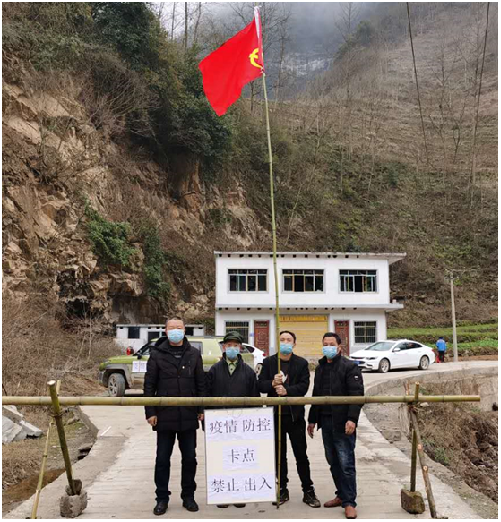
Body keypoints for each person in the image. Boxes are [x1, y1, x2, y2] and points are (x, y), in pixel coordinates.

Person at [144, 317, 206, 516]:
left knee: (190, 458)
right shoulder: (156, 354)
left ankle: (188, 496)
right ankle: (162, 498)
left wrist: (201, 409)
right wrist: (150, 412)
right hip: (164, 415)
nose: (175, 331)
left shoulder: (194, 354)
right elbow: (149, 385)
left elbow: (200, 384)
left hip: (188, 414)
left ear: (185, 330)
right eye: (172, 328)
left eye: (179, 327)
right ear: (165, 331)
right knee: (162, 459)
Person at [258, 330, 320, 508]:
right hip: (275, 416)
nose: (285, 342)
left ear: (294, 343)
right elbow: (260, 385)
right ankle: (282, 488)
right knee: (279, 455)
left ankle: (308, 490)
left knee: (301, 454)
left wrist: (287, 391)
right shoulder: (269, 362)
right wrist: (272, 383)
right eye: (282, 339)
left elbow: (304, 386)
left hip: (295, 417)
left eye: (288, 340)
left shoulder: (301, 363)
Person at [307, 332, 364, 520]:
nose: (328, 347)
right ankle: (341, 494)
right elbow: (316, 394)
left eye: (331, 344)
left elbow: (357, 394)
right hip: (326, 421)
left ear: (339, 347)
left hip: (343, 422)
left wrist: (352, 419)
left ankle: (350, 502)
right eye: (325, 344)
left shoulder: (349, 367)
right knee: (333, 461)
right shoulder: (321, 368)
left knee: (346, 463)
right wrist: (312, 419)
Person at [206, 330, 260, 509]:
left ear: (240, 348)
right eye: (228, 345)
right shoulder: (214, 370)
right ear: (223, 347)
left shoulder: (248, 372)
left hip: (241, 424)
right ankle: (222, 494)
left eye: (235, 345)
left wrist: (254, 423)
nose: (231, 348)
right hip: (219, 424)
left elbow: (254, 398)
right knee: (221, 460)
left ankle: (239, 492)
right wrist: (207, 419)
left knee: (239, 460)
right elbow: (207, 395)